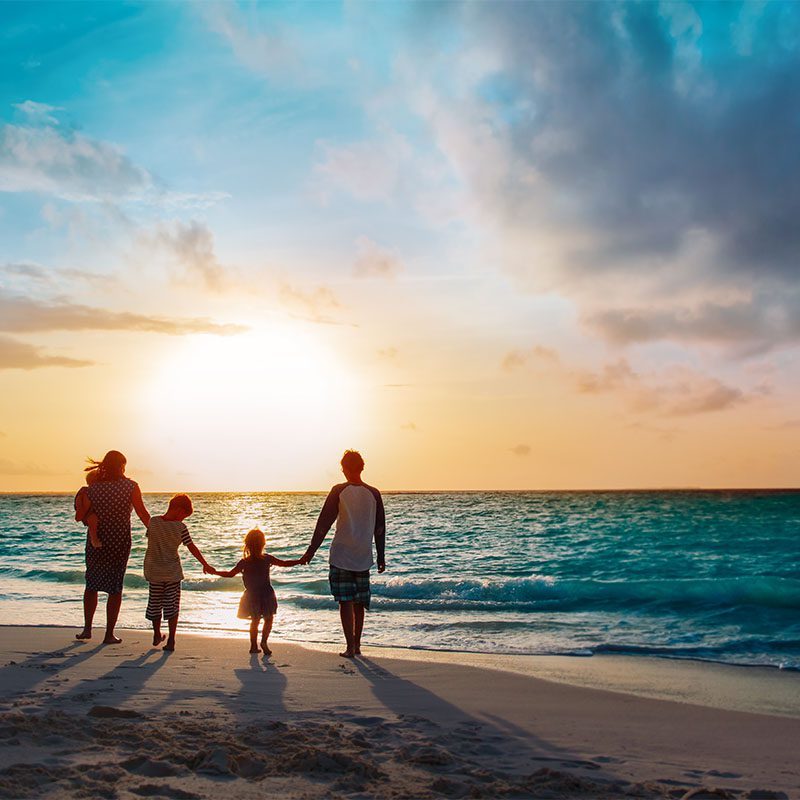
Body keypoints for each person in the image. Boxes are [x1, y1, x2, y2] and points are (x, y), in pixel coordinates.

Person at [300, 450, 385, 658]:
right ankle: (356, 645)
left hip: (341, 556)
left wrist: (311, 551)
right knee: (359, 603)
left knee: (345, 601)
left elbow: (324, 523)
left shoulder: (338, 490)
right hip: (363, 556)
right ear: (362, 467)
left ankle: (350, 647)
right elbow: (380, 528)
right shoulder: (374, 493)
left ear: (344, 469)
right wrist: (381, 556)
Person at [75, 450, 150, 644]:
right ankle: (109, 634)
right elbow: (142, 513)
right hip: (119, 541)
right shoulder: (131, 486)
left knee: (91, 584)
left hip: (96, 541)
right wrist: (155, 531)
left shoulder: (92, 489)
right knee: (115, 587)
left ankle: (87, 629)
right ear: (121, 466)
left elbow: (82, 514)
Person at [210, 528, 302, 655]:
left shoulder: (245, 562)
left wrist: (215, 572)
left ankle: (253, 645)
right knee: (268, 619)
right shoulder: (267, 559)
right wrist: (299, 561)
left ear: (247, 545)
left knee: (255, 620)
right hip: (266, 594)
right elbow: (284, 563)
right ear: (263, 544)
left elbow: (230, 574)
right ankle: (264, 642)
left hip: (252, 595)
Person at [143, 494, 214, 652]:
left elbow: (151, 539)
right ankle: (172, 640)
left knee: (155, 604)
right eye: (184, 515)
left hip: (154, 571)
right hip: (172, 573)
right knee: (172, 607)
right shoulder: (181, 528)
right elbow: (191, 547)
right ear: (179, 510)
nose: (183, 519)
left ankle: (156, 634)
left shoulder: (153, 522)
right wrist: (205, 564)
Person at [74, 467, 101, 550]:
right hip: (89, 513)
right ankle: (94, 539)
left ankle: (94, 539)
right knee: (92, 518)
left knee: (92, 519)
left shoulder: (85, 491)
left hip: (86, 510)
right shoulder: (87, 491)